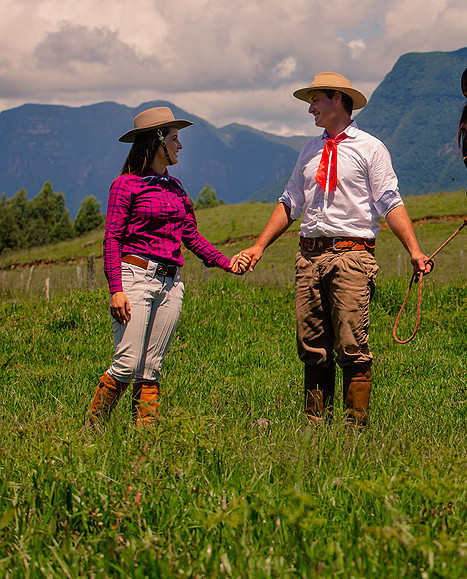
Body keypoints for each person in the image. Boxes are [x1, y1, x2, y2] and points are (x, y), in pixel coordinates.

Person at [234, 72, 430, 427]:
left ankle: (355, 428)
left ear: (337, 99)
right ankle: (315, 426)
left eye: (315, 100)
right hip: (308, 255)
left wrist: (414, 251)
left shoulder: (371, 148)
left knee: (352, 343)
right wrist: (259, 246)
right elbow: (291, 202)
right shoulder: (309, 150)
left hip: (352, 255)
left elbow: (390, 201)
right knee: (311, 344)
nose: (310, 109)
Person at [86, 106, 246, 429]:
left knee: (151, 367)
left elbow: (191, 235)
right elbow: (112, 239)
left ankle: (145, 440)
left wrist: (226, 263)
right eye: (174, 139)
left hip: (171, 285)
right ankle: (93, 430)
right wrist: (115, 289)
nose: (180, 146)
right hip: (135, 279)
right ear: (157, 141)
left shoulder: (176, 189)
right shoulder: (126, 186)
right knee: (127, 363)